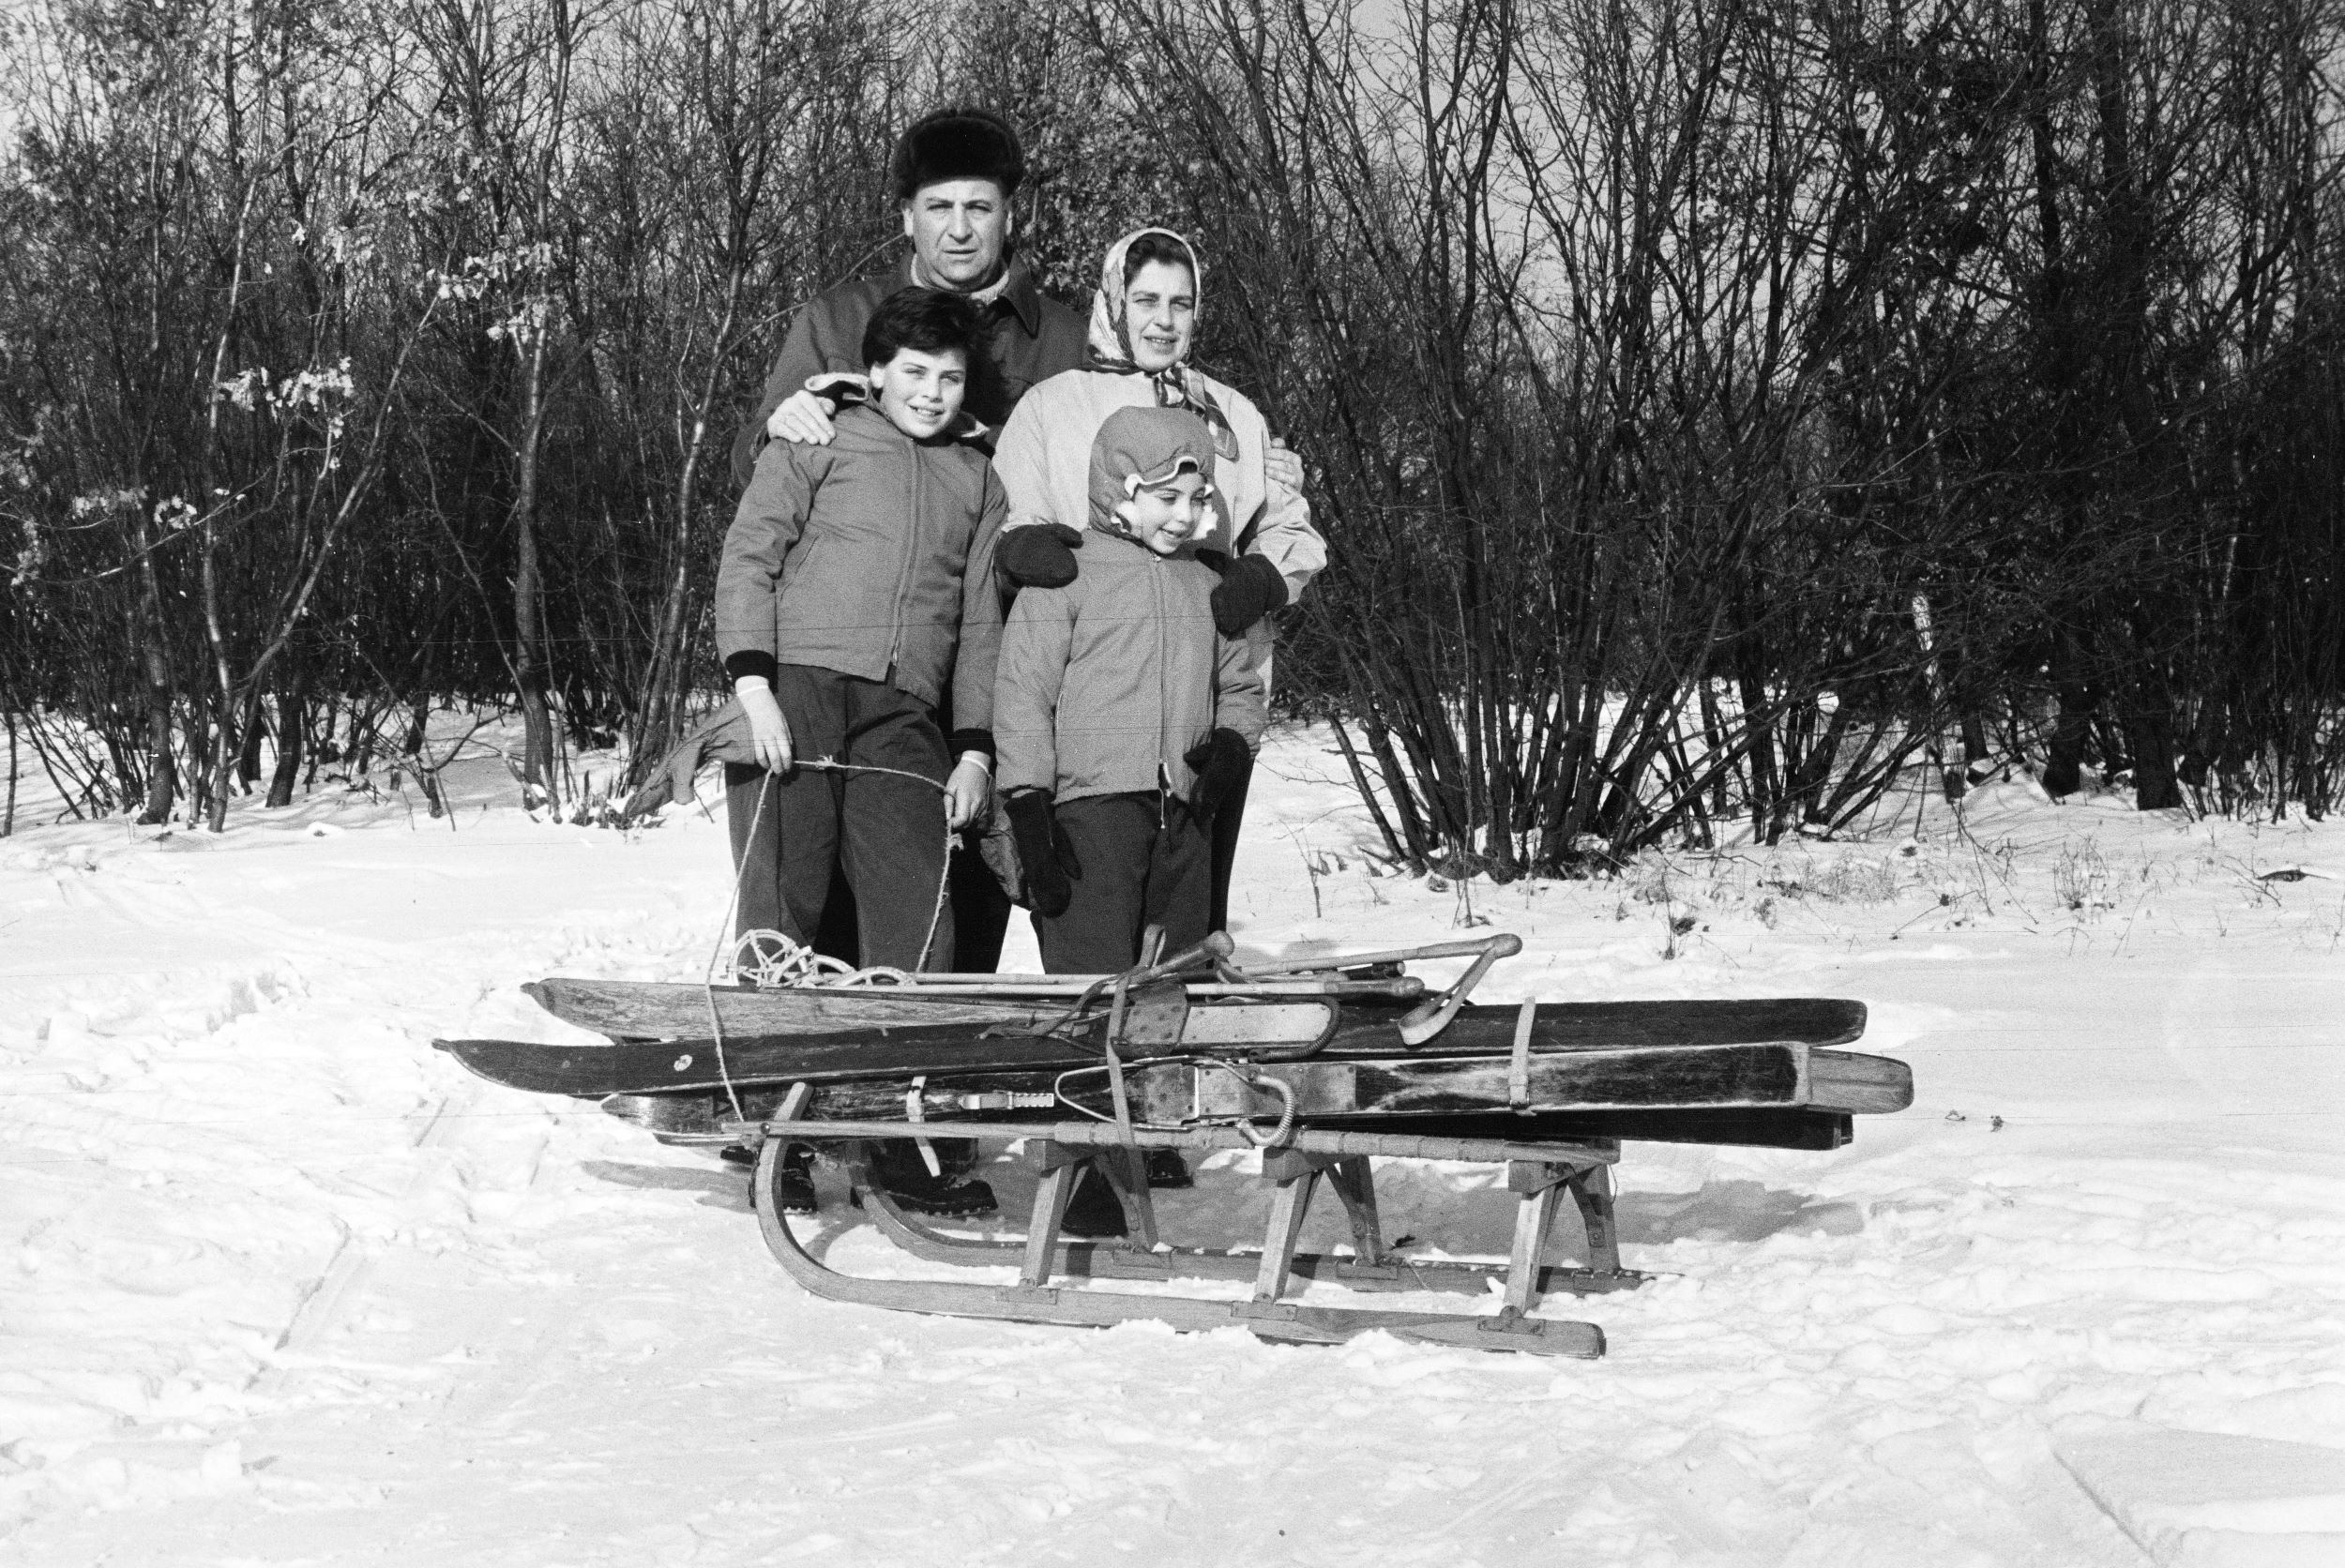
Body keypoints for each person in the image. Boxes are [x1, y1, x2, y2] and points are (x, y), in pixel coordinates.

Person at [735, 111, 1304, 973]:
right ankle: (824, 1037)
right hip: (859, 649)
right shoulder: (839, 317)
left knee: (986, 878)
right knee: (833, 879)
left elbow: (1162, 465)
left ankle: (957, 1032)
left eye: (980, 207)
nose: (959, 228)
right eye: (938, 207)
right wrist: (792, 411)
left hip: (1030, 656)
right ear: (906, 216)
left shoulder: (1068, 339)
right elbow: (775, 473)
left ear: (1011, 214)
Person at [715, 286, 1006, 1217]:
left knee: (915, 924)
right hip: (796, 690)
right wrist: (752, 683)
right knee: (784, 911)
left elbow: (978, 622)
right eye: (913, 373)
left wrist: (972, 748)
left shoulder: (978, 474)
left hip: (904, 716)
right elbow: (750, 553)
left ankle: (900, 1143)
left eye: (948, 376)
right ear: (875, 373)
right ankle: (775, 1134)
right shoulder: (818, 435)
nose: (929, 391)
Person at [991, 228, 1325, 941]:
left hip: (1204, 701)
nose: (1164, 320)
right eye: (1146, 299)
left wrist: (1265, 575)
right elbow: (1005, 509)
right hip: (1094, 712)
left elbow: (1290, 526)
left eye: (1182, 302)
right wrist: (1015, 547)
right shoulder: (1056, 404)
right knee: (1095, 921)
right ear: (1113, 300)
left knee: (1188, 924)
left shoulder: (1233, 413)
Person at [993, 404, 1265, 1234]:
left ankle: (1146, 1136)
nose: (1185, 517)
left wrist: (1228, 745)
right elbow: (1022, 697)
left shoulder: (1207, 584)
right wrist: (1030, 807)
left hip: (1180, 809)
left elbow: (1242, 687)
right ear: (1120, 492)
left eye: (1198, 502)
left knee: (1167, 985)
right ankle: (1082, 1173)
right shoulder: (1067, 577)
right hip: (1088, 808)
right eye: (1166, 499)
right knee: (1090, 991)